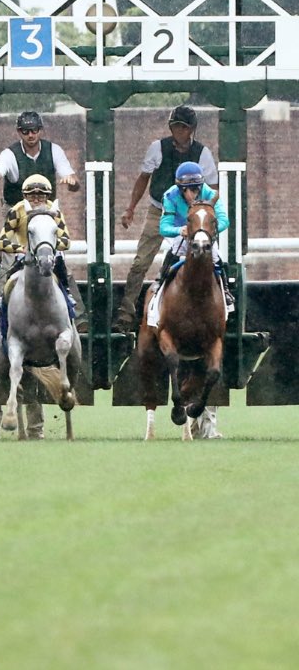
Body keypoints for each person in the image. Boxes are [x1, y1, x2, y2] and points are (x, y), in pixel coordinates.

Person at [0, 174, 74, 440]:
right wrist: (22, 248)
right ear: (25, 195)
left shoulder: (55, 213)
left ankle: (73, 310)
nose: (37, 199)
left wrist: (49, 247)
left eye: (41, 195)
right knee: (7, 284)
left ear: (47, 196)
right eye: (32, 195)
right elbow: (0, 241)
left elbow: (66, 240)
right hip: (23, 262)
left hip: (48, 260)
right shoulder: (17, 212)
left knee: (63, 281)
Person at [0, 110, 85, 333]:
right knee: (8, 265)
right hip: (19, 214)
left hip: (46, 214)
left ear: (40, 131)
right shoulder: (10, 154)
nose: (31, 135)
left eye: (34, 130)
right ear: (19, 132)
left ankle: (79, 314)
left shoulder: (54, 151)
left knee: (60, 263)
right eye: (25, 131)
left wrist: (72, 181)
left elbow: (72, 180)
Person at [147, 161, 232, 441]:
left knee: (220, 261)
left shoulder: (210, 192)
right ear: (179, 187)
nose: (191, 193)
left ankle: (227, 292)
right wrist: (181, 232)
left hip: (205, 238)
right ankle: (160, 287)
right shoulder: (170, 195)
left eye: (194, 188)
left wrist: (205, 230)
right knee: (170, 259)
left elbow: (225, 219)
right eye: (187, 189)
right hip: (183, 240)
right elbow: (163, 226)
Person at [116, 105, 218, 333]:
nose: (178, 131)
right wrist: (131, 208)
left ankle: (216, 304)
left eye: (183, 127)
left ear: (192, 130)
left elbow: (214, 188)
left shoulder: (203, 154)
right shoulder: (157, 148)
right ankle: (126, 311)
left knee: (209, 259)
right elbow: (144, 178)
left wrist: (207, 213)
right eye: (175, 126)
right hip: (159, 210)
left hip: (192, 214)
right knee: (141, 262)